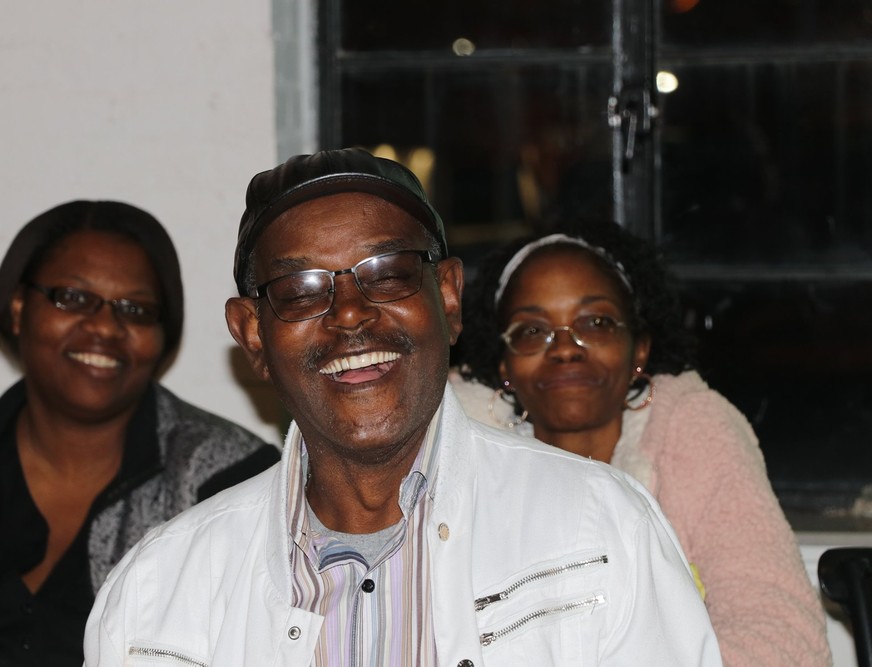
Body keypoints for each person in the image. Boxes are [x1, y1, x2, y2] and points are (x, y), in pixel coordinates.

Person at [84, 149, 722, 666]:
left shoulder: (599, 531)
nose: (351, 313)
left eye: (386, 273)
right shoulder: (156, 599)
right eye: (301, 289)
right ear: (253, 334)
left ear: (447, 298)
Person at [0, 200, 280, 667]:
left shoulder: (233, 483)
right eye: (73, 298)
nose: (105, 326)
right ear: (20, 309)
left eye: (136, 309)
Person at [451, 219, 832, 666]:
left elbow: (780, 628)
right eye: (532, 330)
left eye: (595, 323)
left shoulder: (692, 433)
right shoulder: (460, 450)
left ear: (641, 349)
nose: (565, 348)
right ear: (504, 366)